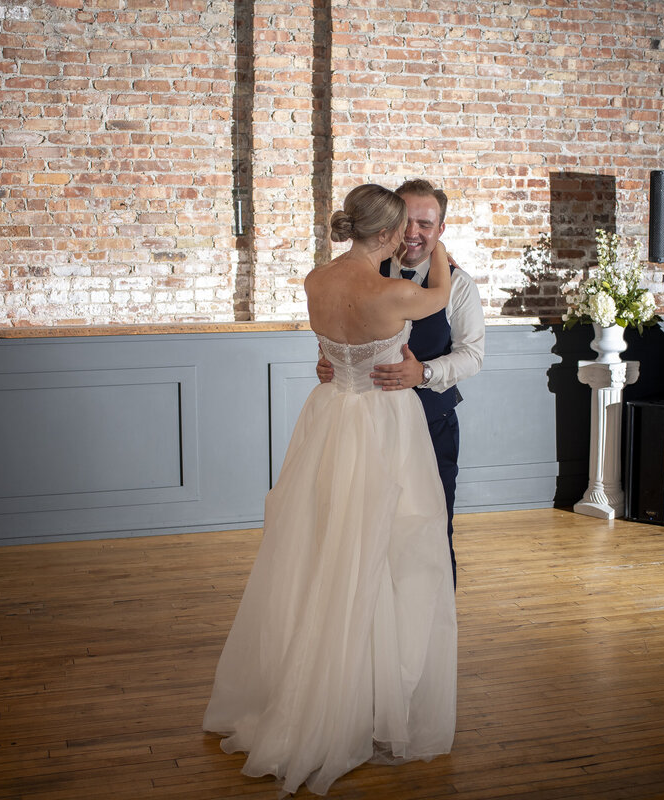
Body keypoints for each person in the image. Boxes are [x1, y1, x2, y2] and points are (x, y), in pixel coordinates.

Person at [203, 184, 458, 796]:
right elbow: (440, 295)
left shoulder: (318, 280)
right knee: (385, 551)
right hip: (379, 424)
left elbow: (336, 351)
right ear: (393, 233)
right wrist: (440, 241)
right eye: (408, 229)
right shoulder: (397, 292)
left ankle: (323, 684)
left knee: (325, 550)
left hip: (329, 417)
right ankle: (360, 697)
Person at [317, 179, 485, 584]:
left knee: (428, 525)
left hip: (430, 423)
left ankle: (432, 629)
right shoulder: (369, 272)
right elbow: (346, 332)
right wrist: (329, 363)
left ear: (440, 229)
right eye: (406, 221)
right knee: (366, 528)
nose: (413, 233)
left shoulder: (459, 285)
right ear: (387, 226)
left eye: (425, 225)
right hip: (368, 429)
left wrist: (423, 373)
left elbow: (473, 355)